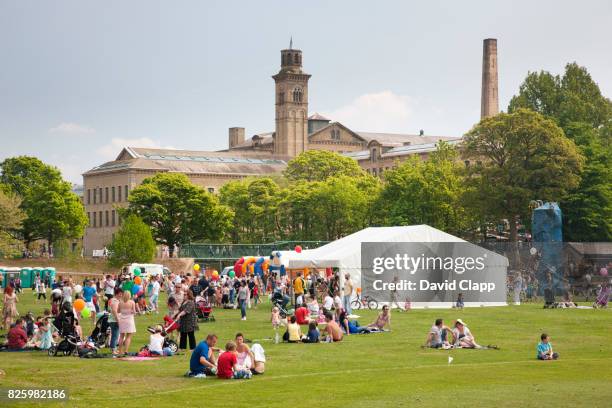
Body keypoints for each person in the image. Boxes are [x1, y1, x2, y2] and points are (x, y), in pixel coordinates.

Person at [117, 290, 136, 355]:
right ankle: (126, 350)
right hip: (129, 320)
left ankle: (120, 350)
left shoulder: (120, 302)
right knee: (128, 336)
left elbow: (118, 311)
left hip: (122, 319)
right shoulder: (132, 302)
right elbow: (134, 312)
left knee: (121, 336)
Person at [108, 287, 122, 356]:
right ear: (117, 294)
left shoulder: (114, 300)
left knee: (115, 335)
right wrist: (118, 320)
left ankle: (113, 348)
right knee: (115, 335)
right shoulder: (115, 301)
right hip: (114, 320)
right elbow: (114, 311)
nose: (121, 295)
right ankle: (113, 349)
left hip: (113, 320)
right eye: (120, 294)